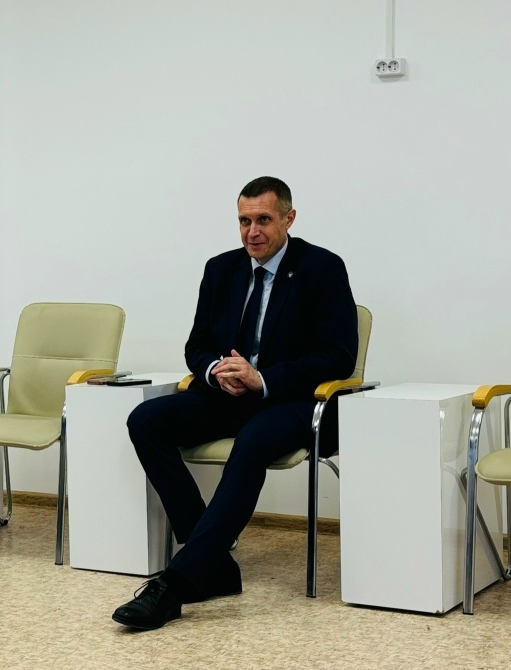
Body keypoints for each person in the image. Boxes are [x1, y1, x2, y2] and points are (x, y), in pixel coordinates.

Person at [112, 176, 358, 630]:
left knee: (253, 441)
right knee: (146, 420)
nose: (252, 232)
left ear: (289, 218)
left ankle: (177, 584)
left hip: (292, 401)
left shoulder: (322, 268)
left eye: (263, 220)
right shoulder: (221, 268)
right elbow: (197, 344)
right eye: (244, 221)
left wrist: (262, 379)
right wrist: (214, 371)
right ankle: (214, 564)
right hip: (228, 395)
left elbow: (338, 356)